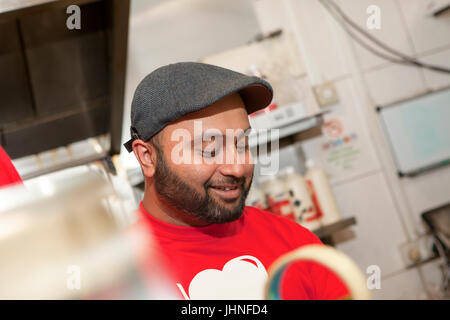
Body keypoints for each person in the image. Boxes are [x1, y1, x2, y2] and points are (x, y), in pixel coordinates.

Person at [125, 62, 349, 300]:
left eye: (242, 144)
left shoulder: (296, 245)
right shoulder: (120, 278)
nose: (238, 167)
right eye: (209, 149)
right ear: (147, 157)